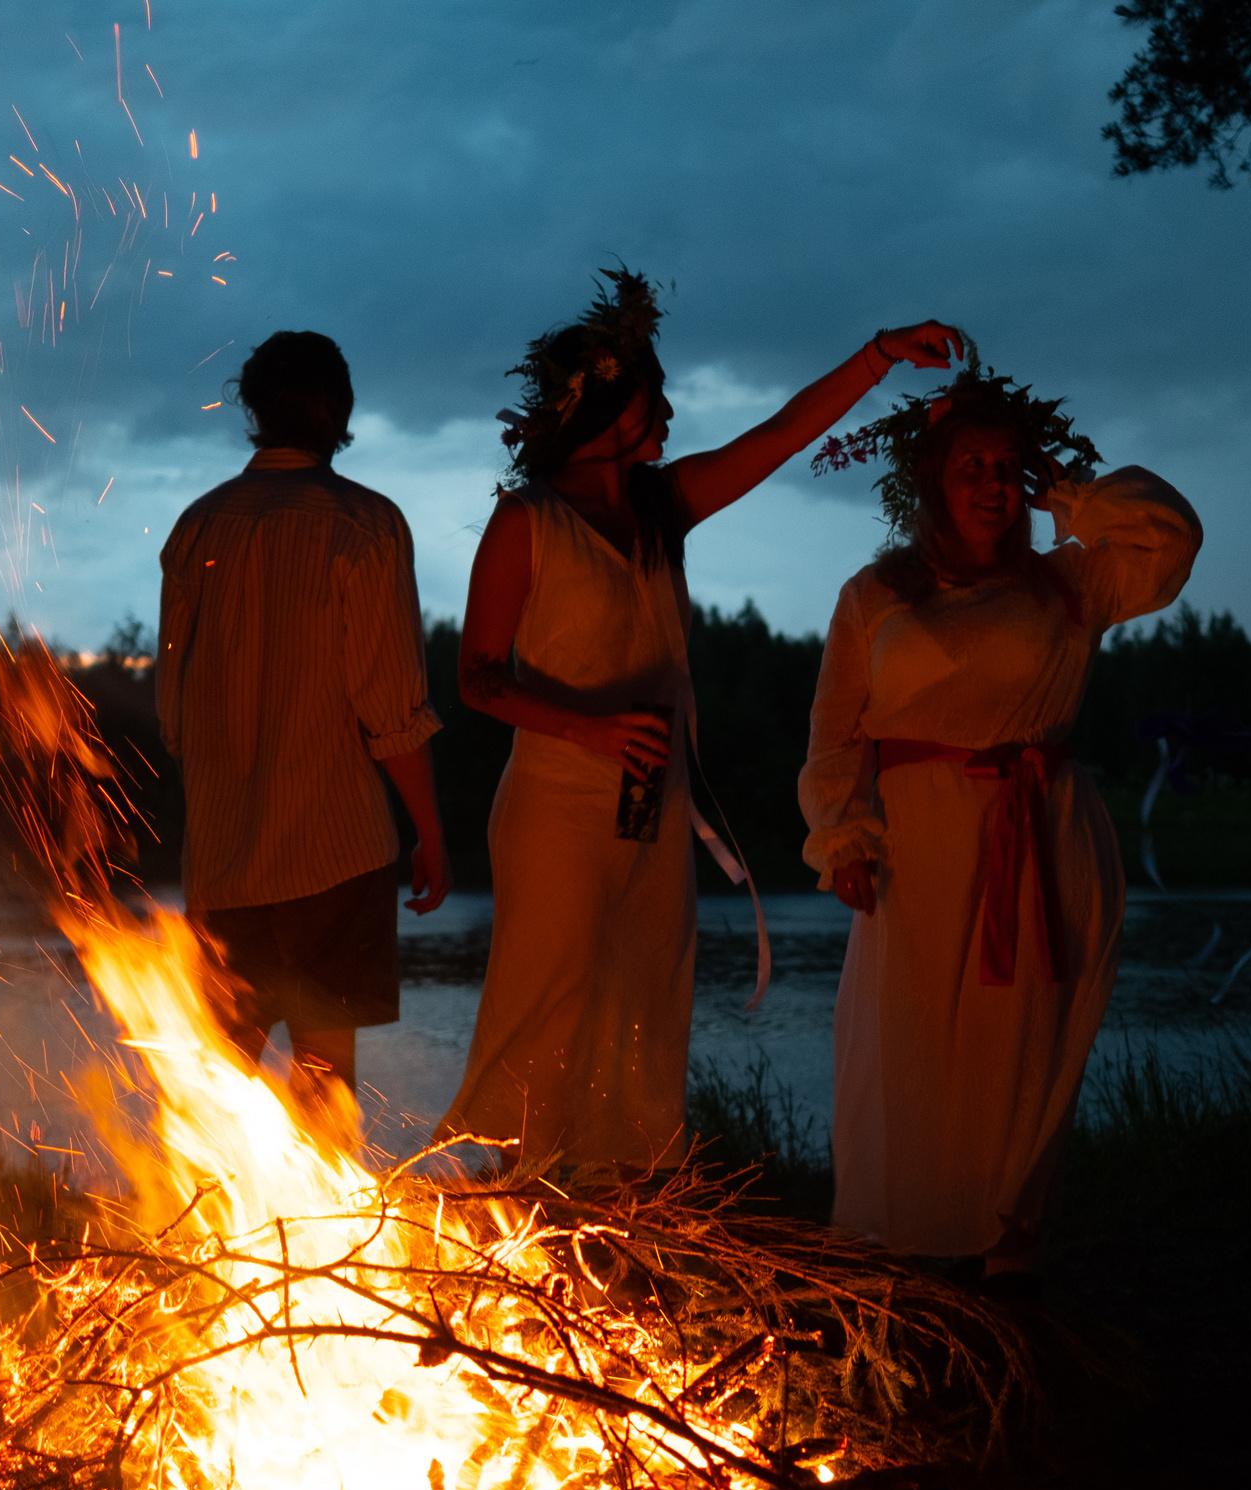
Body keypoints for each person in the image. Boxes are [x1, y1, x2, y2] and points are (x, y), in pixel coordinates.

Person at [432, 269, 963, 1174]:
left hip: (654, 808)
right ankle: (498, 1196)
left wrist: (878, 356)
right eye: (656, 396)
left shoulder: (661, 510)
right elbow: (477, 680)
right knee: (542, 1002)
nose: (671, 414)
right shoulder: (528, 522)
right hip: (558, 809)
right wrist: (589, 729)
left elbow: (781, 436)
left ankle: (627, 1208)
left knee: (646, 1004)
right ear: (607, 405)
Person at [799, 359, 1203, 1284]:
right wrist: (843, 836)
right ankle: (905, 1254)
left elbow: (1173, 536)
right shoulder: (878, 594)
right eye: (969, 465)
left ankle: (1009, 1254)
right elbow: (833, 731)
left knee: (1021, 1052)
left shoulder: (1068, 583)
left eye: (1005, 466)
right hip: (917, 851)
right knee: (911, 1050)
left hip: (1042, 843)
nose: (990, 483)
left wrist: (1061, 484)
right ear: (932, 482)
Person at [155, 330, 450, 1108]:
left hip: (222, 857)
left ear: (252, 407)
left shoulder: (197, 528)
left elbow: (174, 712)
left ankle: (211, 1226)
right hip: (336, 850)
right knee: (325, 1083)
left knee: (219, 1090)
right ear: (340, 412)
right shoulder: (365, 526)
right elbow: (391, 709)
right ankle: (325, 1225)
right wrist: (431, 832)